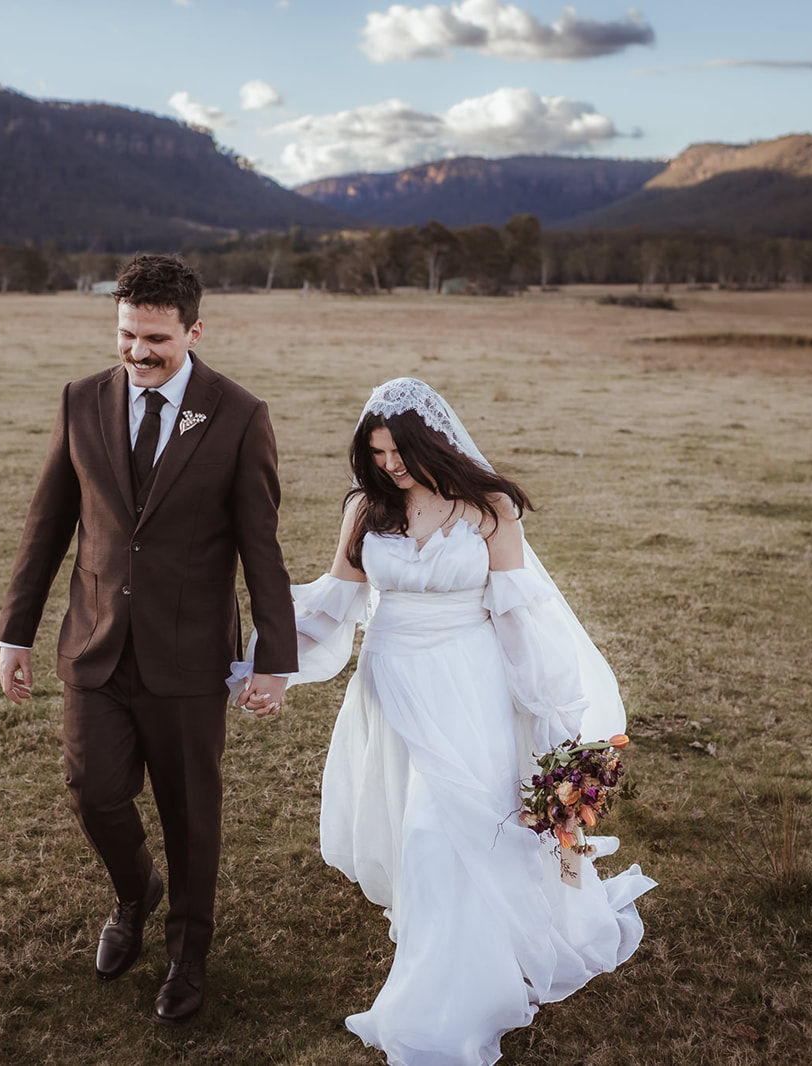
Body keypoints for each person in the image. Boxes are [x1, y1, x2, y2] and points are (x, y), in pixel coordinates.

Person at [230, 378, 655, 1065]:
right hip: (392, 685)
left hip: (468, 684)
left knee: (444, 827)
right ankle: (439, 921)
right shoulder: (367, 508)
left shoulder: (489, 509)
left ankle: (445, 992)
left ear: (434, 442)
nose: (390, 466)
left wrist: (552, 717)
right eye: (377, 453)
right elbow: (336, 601)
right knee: (413, 824)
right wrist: (272, 666)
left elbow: (517, 616)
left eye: (400, 453)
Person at [0, 253, 298, 1025]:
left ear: (194, 332)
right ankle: (136, 891)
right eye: (127, 334)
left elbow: (261, 548)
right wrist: (14, 634)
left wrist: (274, 658)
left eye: (156, 339)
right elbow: (47, 526)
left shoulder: (240, 415)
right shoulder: (81, 401)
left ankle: (187, 959)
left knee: (191, 817)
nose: (138, 352)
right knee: (92, 793)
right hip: (94, 644)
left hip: (190, 657)